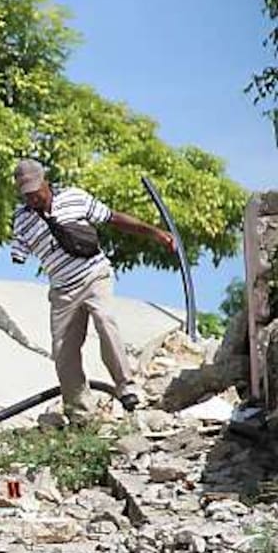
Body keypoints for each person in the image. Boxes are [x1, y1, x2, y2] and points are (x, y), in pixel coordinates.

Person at [10, 158, 175, 419]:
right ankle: (79, 412)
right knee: (63, 350)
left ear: (46, 182)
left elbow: (112, 218)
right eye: (26, 195)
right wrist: (18, 253)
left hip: (94, 275)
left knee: (105, 320)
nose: (32, 198)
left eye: (35, 192)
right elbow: (18, 250)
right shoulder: (22, 219)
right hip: (63, 290)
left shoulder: (74, 197)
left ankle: (126, 387)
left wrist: (154, 233)